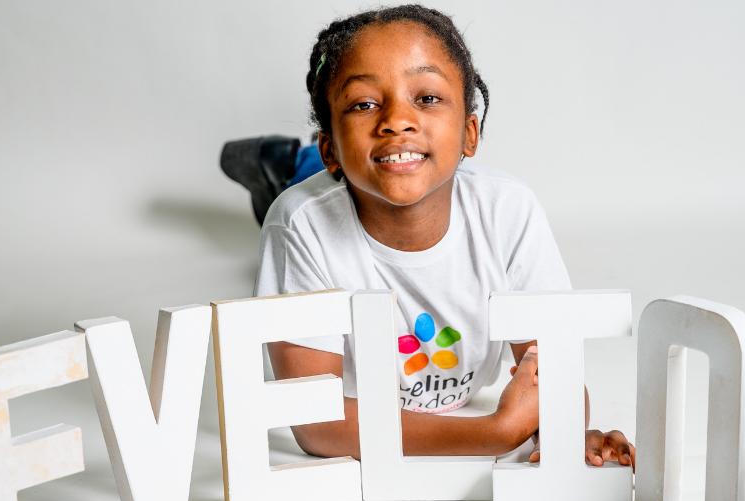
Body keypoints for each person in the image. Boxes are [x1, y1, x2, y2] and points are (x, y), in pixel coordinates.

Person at [236, 4, 635, 467]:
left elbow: (551, 369)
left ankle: (295, 160)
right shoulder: (301, 224)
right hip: (328, 190)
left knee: (380, 164)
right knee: (313, 193)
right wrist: (493, 433)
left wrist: (563, 434)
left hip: (371, 170)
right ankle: (288, 164)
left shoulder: (508, 211)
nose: (396, 120)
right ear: (332, 146)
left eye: (426, 98)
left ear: (470, 133)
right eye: (364, 104)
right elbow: (317, 426)